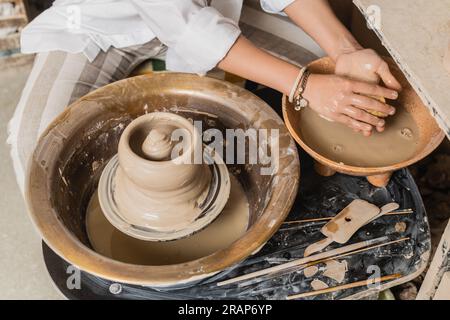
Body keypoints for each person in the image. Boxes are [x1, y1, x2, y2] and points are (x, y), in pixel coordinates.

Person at [8, 0, 401, 193]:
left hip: (212, 7)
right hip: (102, 24)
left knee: (326, 66)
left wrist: (343, 51)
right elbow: (186, 27)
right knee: (38, 146)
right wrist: (303, 86)